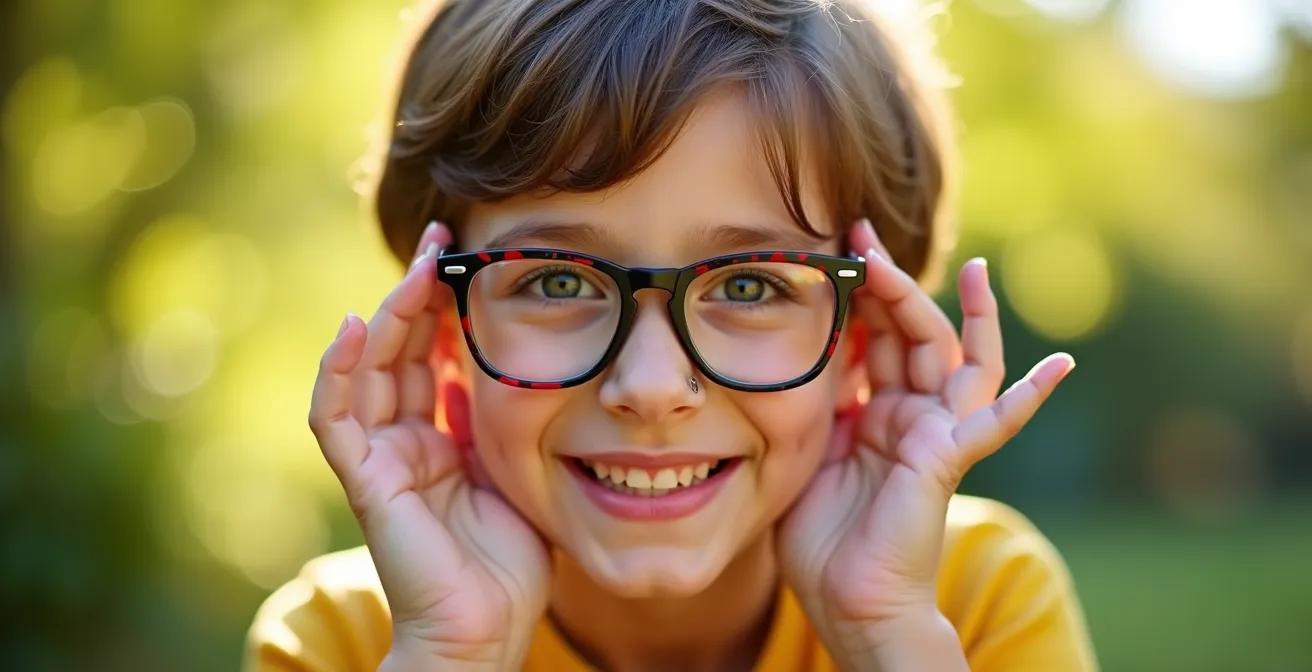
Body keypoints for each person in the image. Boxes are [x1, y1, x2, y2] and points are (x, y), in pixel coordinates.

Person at [245, 0, 1097, 669]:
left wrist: (886, 640)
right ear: (439, 328)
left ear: (862, 340)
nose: (650, 386)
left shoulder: (974, 605)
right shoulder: (348, 645)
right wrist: (452, 657)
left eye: (749, 284)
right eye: (558, 279)